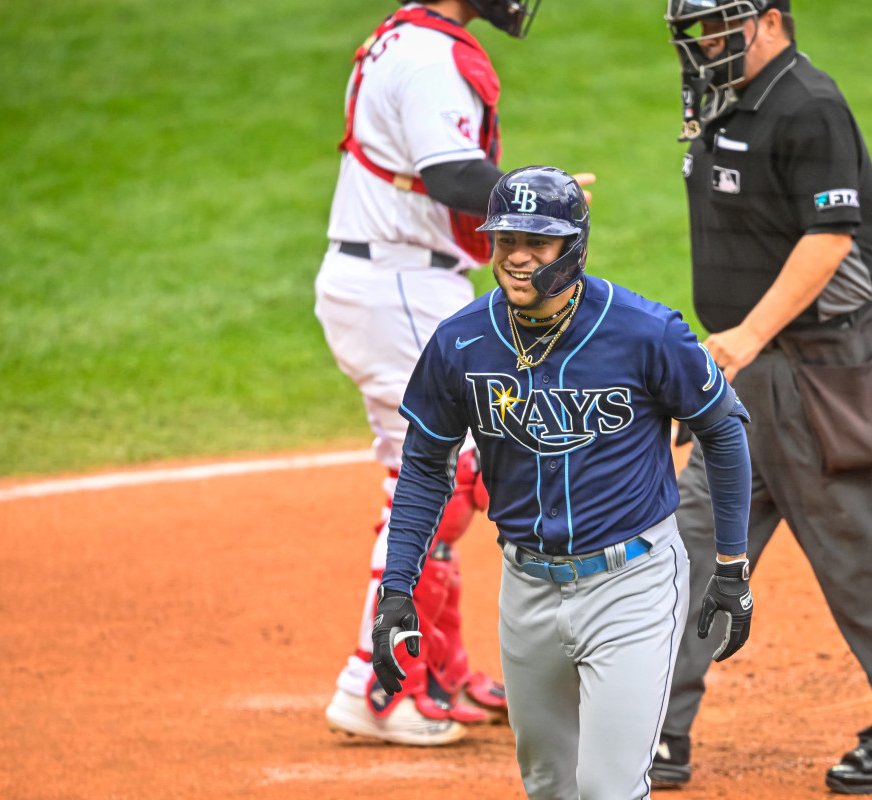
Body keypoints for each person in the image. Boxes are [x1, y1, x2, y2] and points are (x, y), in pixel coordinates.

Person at [652, 0, 872, 794]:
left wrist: (747, 338)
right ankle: (652, 732)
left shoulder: (808, 107)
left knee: (863, 562)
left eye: (719, 28)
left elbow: (828, 240)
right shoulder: (731, 104)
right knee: (691, 553)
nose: (704, 47)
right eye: (697, 33)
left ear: (769, 19)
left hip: (815, 376)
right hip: (745, 385)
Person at [370, 166, 754, 799]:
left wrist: (733, 564)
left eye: (537, 243)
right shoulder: (461, 342)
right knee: (549, 787)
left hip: (632, 583)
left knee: (608, 788)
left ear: (573, 248)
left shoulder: (645, 332)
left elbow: (724, 428)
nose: (517, 257)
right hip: (527, 587)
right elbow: (424, 467)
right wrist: (397, 588)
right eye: (505, 241)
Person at [317, 0, 564, 746]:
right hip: (398, 280)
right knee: (440, 477)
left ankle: (436, 666)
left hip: (399, 278)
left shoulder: (409, 37)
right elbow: (453, 173)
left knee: (447, 474)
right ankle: (378, 682)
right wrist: (541, 204)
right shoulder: (427, 56)